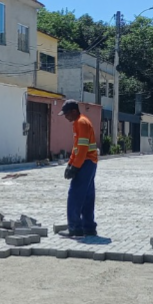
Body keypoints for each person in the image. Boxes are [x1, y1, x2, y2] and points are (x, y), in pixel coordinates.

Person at [59, 100, 98, 238]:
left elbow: (82, 149)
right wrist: (70, 163)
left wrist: (75, 167)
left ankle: (75, 228)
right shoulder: (79, 122)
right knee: (87, 196)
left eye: (66, 114)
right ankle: (88, 227)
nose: (65, 117)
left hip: (85, 163)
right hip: (89, 163)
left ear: (74, 111)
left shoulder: (81, 123)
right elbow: (76, 148)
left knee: (75, 195)